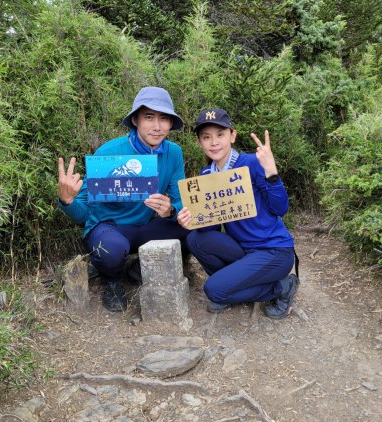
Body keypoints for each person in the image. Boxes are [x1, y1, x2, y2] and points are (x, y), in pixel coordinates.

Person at [58, 87, 190, 312]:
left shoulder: (173, 152)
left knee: (196, 225)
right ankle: (112, 280)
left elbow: (181, 202)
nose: (157, 127)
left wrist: (171, 210)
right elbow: (85, 215)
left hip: (146, 228)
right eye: (149, 117)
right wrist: (67, 201)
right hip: (109, 230)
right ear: (136, 120)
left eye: (164, 119)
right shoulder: (110, 152)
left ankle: (138, 269)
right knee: (110, 249)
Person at [177, 108, 298, 319]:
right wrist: (192, 219)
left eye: (220, 135)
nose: (214, 142)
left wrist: (271, 172)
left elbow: (281, 209)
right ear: (200, 143)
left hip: (274, 251)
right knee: (195, 238)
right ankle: (233, 287)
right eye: (206, 137)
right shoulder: (206, 175)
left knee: (213, 291)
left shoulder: (252, 163)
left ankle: (282, 287)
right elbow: (211, 228)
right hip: (243, 249)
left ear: (232, 136)